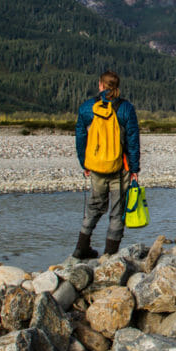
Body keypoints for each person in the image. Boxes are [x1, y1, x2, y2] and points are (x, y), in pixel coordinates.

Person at [73, 71, 140, 258]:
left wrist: (84, 163)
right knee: (117, 212)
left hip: (95, 167)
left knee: (94, 206)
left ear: (101, 85)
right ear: (117, 86)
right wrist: (134, 168)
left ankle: (81, 248)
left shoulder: (87, 108)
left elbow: (80, 137)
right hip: (120, 168)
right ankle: (110, 255)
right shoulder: (126, 108)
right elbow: (133, 140)